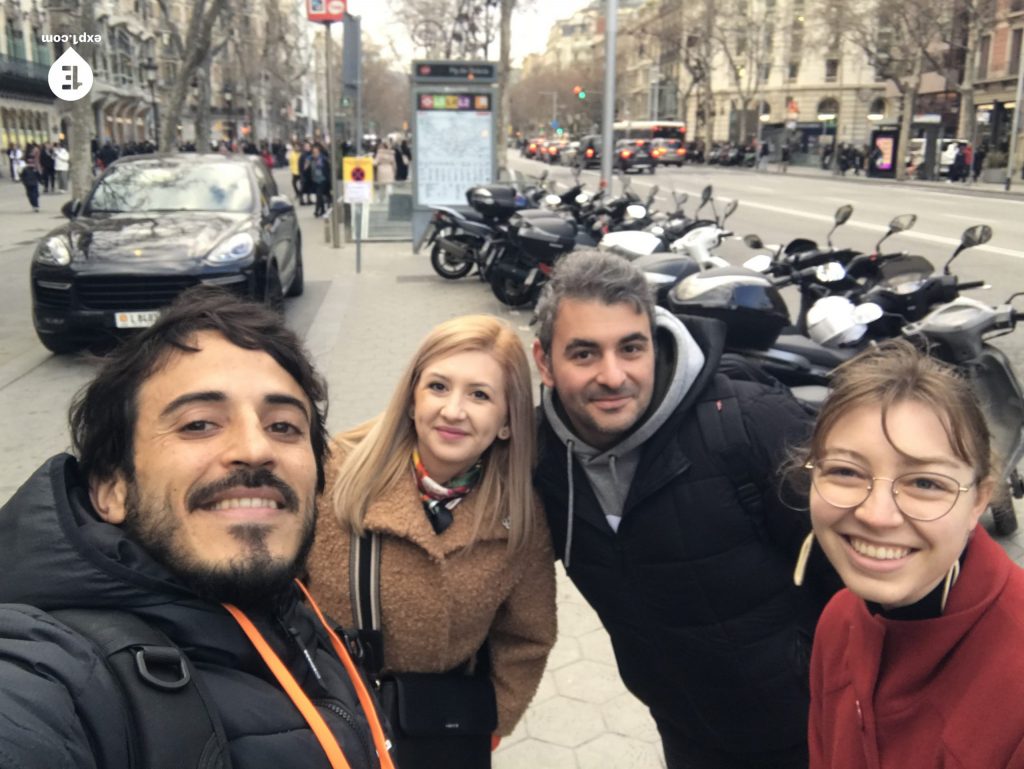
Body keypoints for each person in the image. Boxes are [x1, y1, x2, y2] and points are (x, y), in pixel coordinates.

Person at [0, 286, 394, 769]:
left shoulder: (293, 614)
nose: (255, 448)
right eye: (199, 424)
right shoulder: (51, 674)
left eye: (284, 426)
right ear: (111, 489)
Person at [531, 251, 833, 769]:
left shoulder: (749, 422)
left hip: (805, 729)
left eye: (631, 348)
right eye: (584, 354)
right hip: (681, 724)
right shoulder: (540, 457)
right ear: (544, 363)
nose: (612, 375)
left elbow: (857, 572)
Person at [307, 314, 557, 768]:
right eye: (438, 387)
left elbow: (527, 636)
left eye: (480, 395)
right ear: (411, 398)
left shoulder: (519, 517)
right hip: (328, 722)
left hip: (439, 732)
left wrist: (492, 719)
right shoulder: (332, 476)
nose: (453, 410)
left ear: (506, 422)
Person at [794, 340, 1024, 768]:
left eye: (925, 483)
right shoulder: (840, 619)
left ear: (979, 501)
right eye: (845, 471)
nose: (877, 515)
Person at [309, 143, 331, 218]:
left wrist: (329, 180)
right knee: (320, 196)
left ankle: (318, 211)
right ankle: (322, 210)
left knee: (319, 195)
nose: (314, 154)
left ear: (319, 152)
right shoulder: (311, 159)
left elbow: (327, 169)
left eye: (316, 152)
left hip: (323, 180)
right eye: (313, 152)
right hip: (315, 180)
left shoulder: (323, 159)